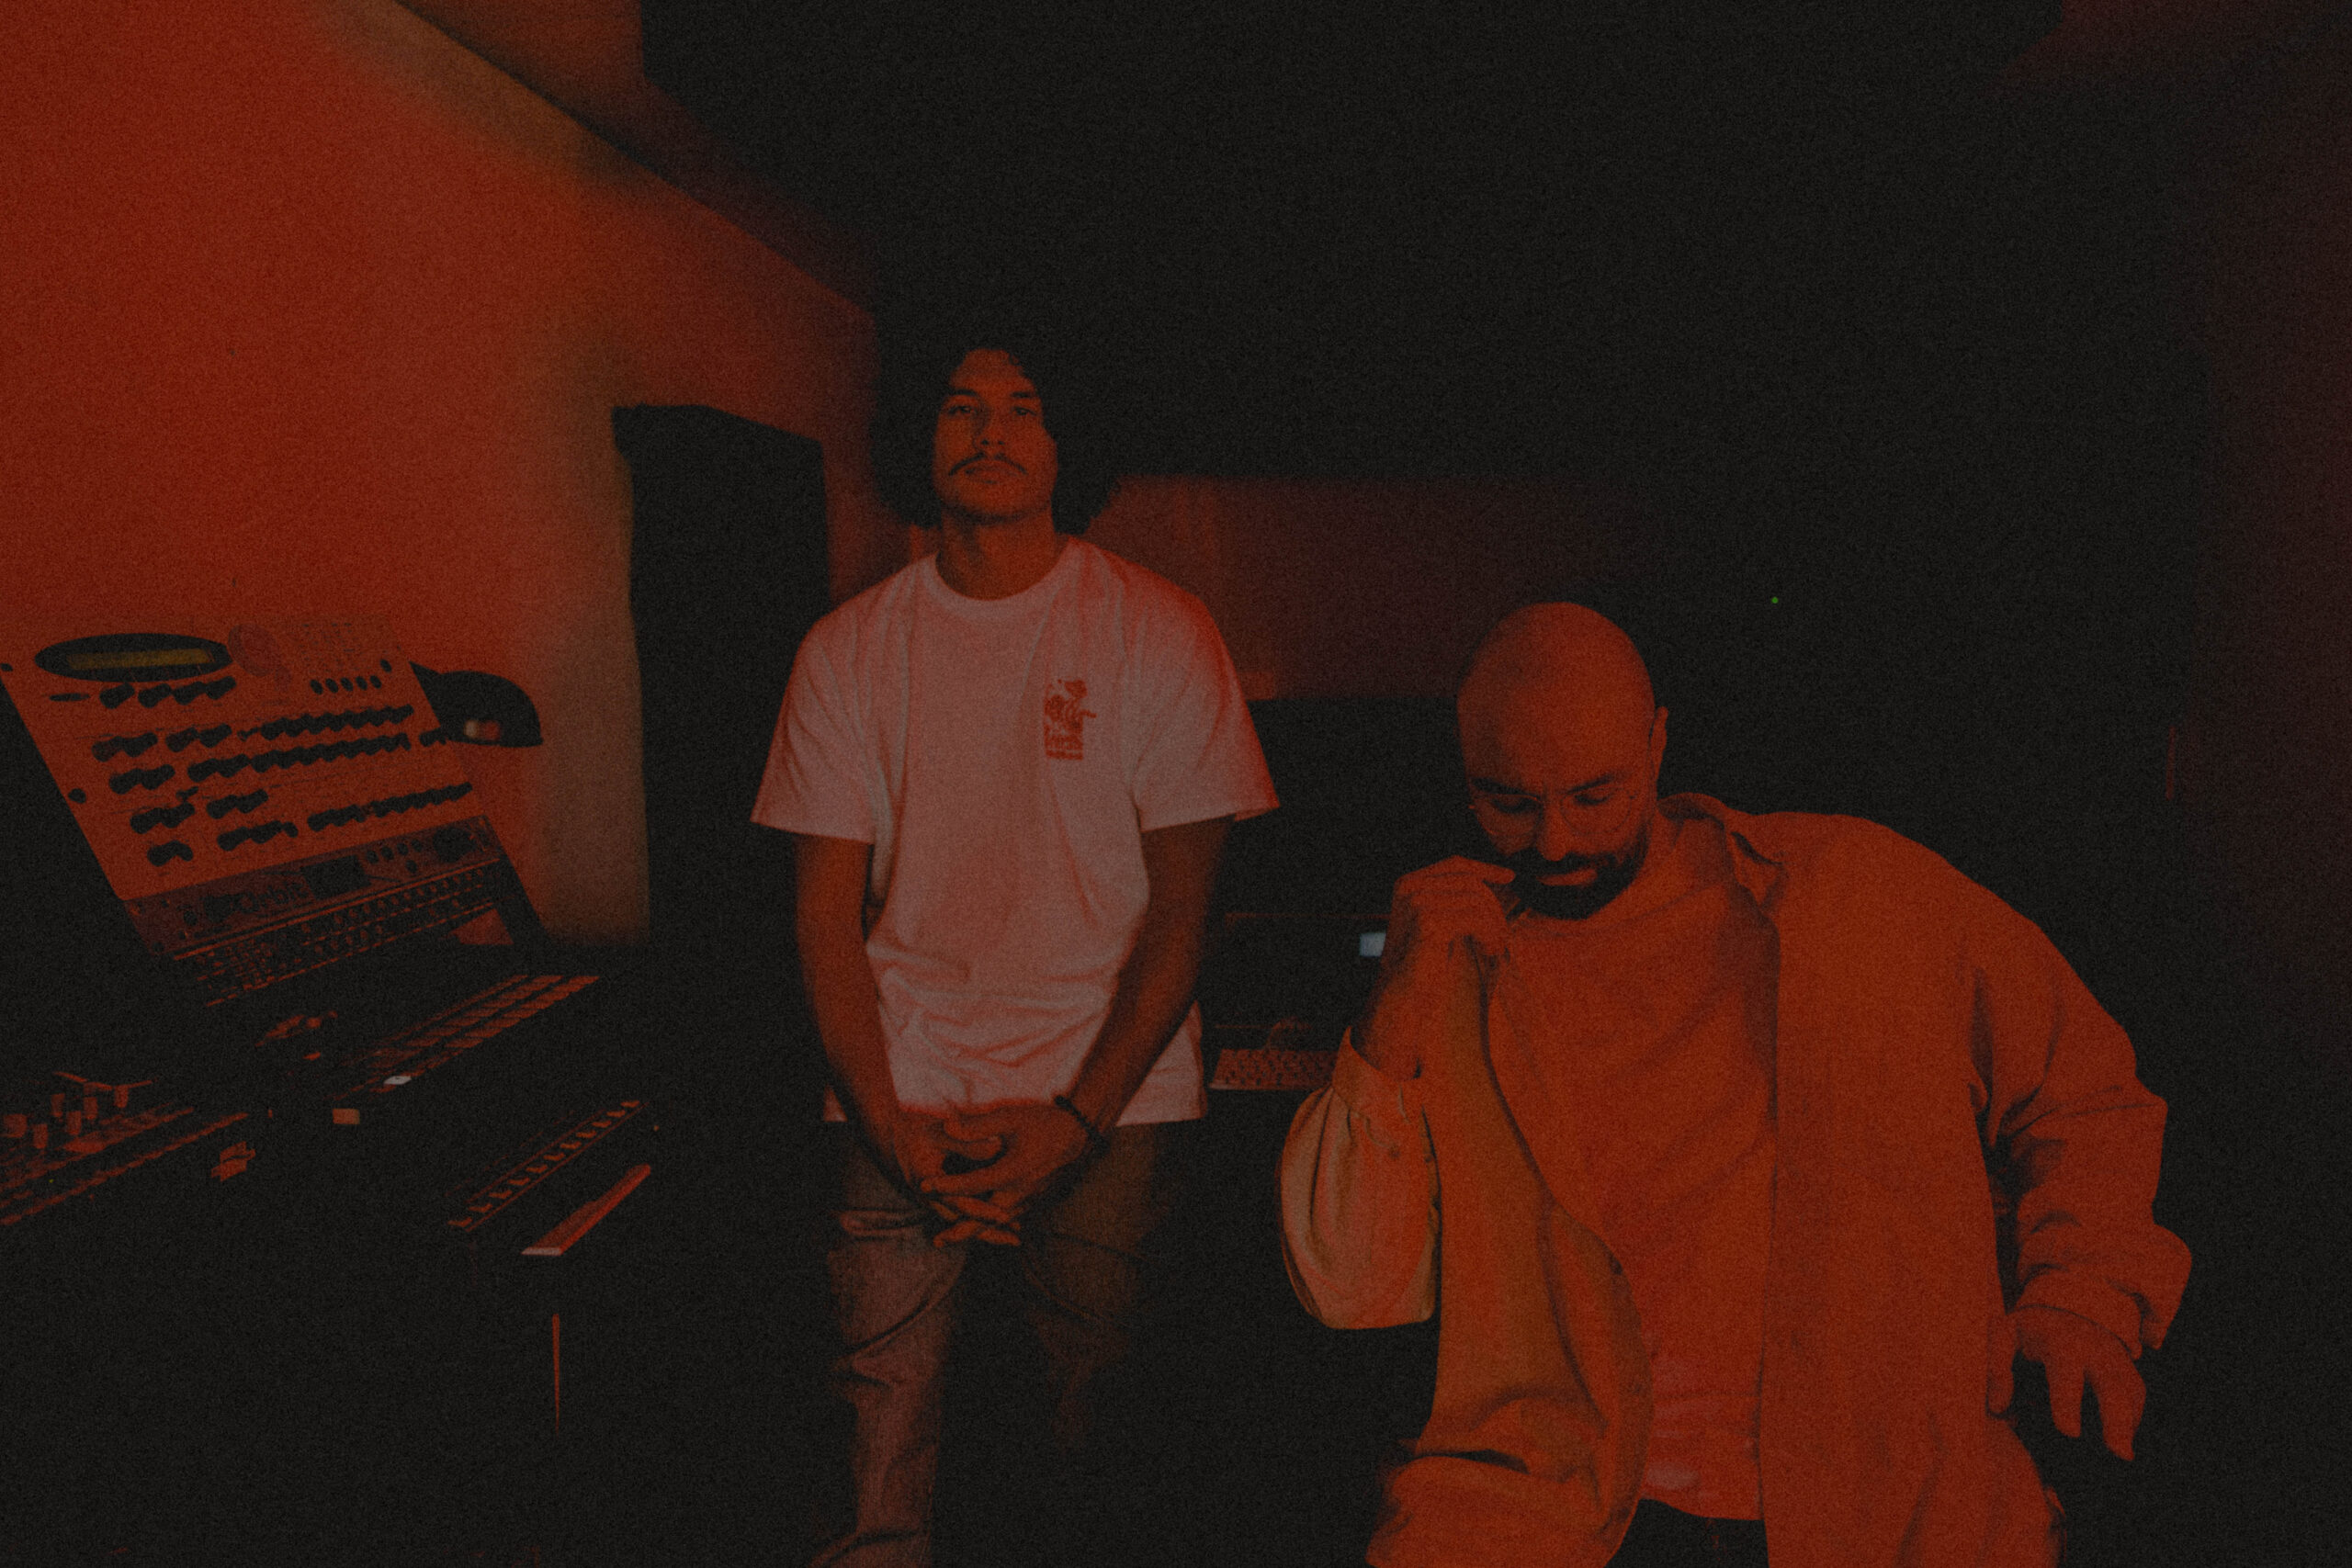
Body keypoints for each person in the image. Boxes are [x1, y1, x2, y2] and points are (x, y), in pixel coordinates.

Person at [1279, 604, 2189, 1568]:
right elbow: (1349, 1288)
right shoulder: (1451, 967)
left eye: (1594, 796)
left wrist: (2081, 1299)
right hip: (1553, 1508)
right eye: (1507, 803)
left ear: (1658, 743)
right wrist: (1389, 1016)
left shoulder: (1861, 892)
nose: (1553, 842)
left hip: (1880, 1501)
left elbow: (2086, 1092)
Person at [753, 310, 1277, 1567]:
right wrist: (887, 1121)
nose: (991, 431)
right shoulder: (847, 651)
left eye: (1024, 406)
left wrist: (1075, 1120)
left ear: (1068, 439)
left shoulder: (1158, 630)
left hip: (1110, 1099)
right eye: (961, 404)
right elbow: (822, 918)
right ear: (917, 436)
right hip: (900, 1091)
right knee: (866, 1459)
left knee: (1098, 1455)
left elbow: (1184, 913)